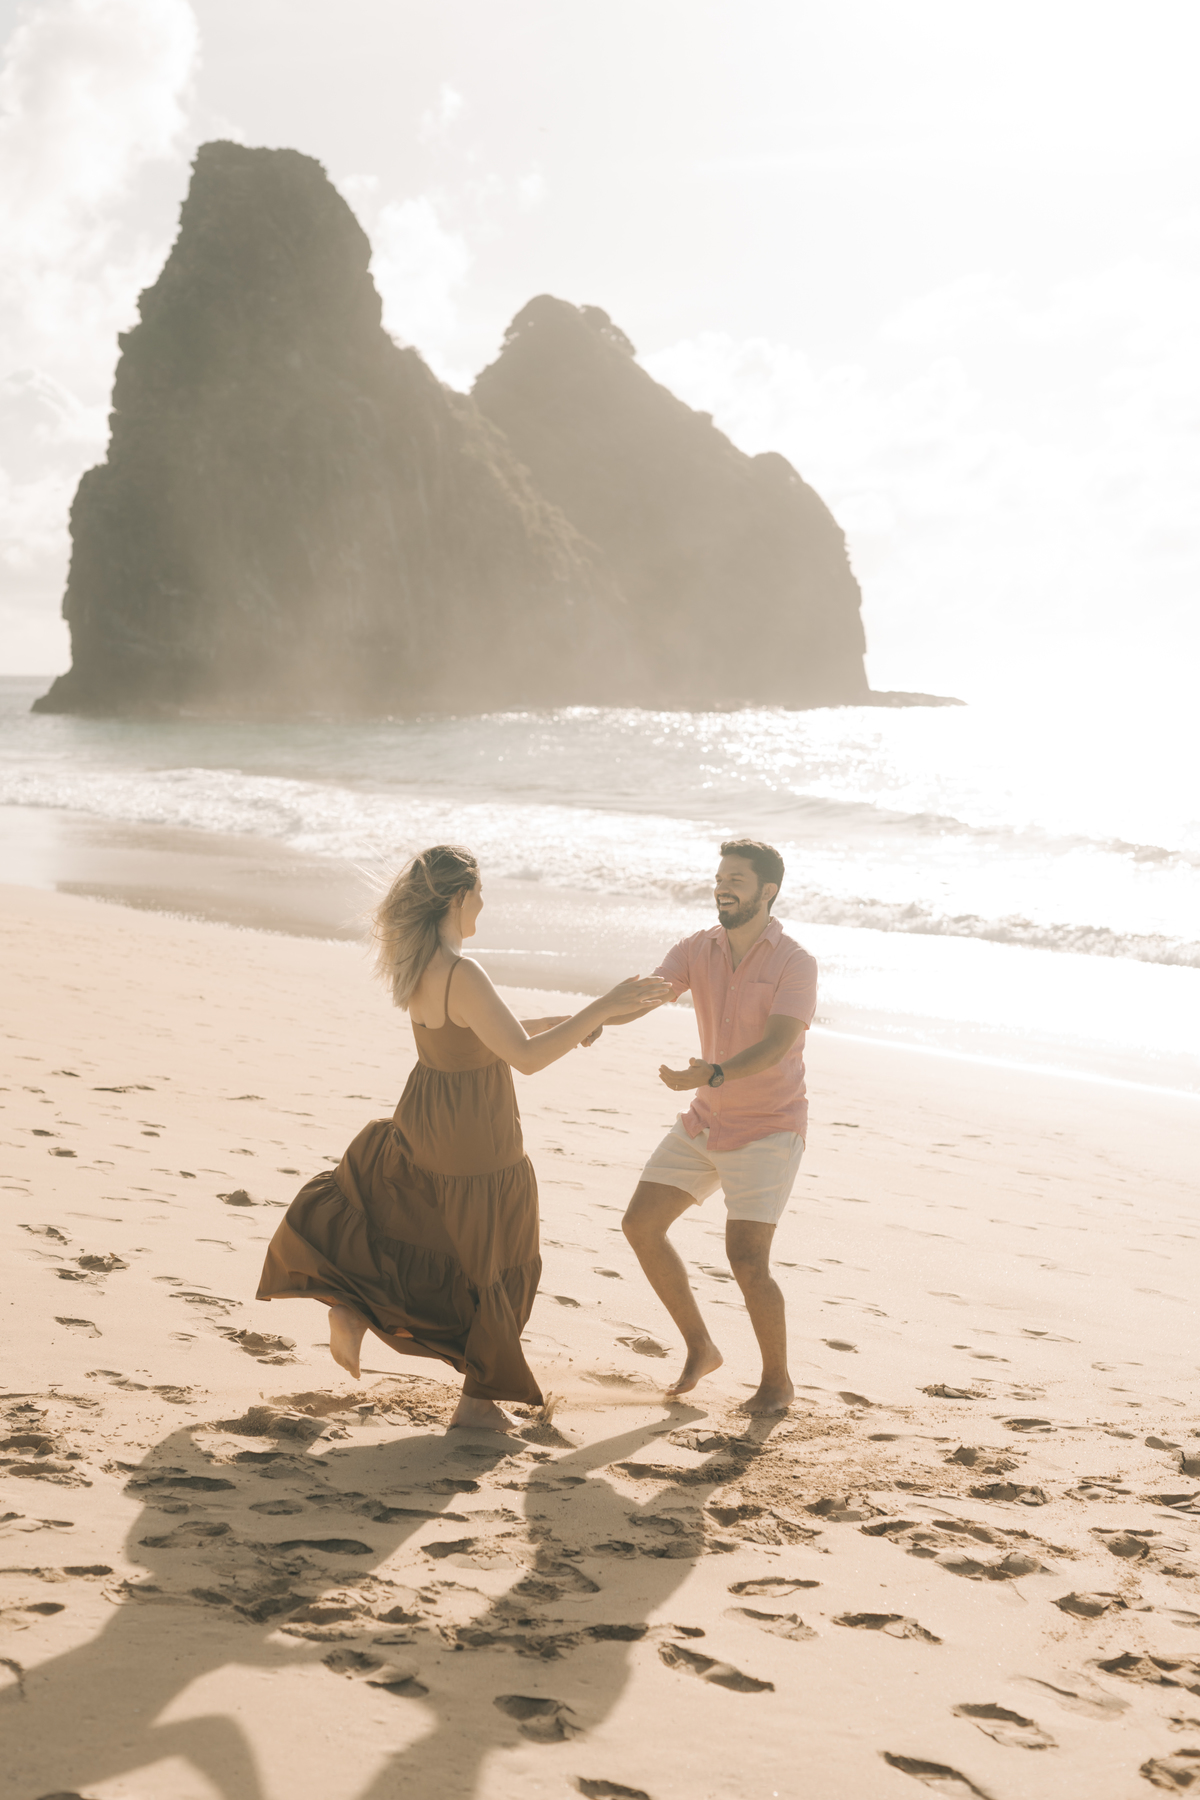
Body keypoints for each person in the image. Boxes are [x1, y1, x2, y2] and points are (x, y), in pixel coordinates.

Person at [257, 844, 672, 1433]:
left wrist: (575, 1020)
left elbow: (480, 1036)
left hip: (427, 1117)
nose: (484, 903)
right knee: (499, 1260)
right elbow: (524, 1060)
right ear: (458, 897)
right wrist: (601, 1005)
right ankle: (477, 1403)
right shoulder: (462, 970)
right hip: (476, 1132)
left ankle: (353, 1307)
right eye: (479, 893)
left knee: (426, 1231)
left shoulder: (423, 962)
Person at [620, 838, 817, 1415]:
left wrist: (715, 1072)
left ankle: (777, 1383)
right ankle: (701, 1347)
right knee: (640, 1224)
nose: (722, 886)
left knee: (747, 1258)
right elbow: (650, 996)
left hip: (770, 1127)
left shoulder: (794, 961)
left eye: (736, 878)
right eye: (719, 877)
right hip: (707, 1119)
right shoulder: (696, 948)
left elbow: (781, 1043)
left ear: (767, 891)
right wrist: (595, 1020)